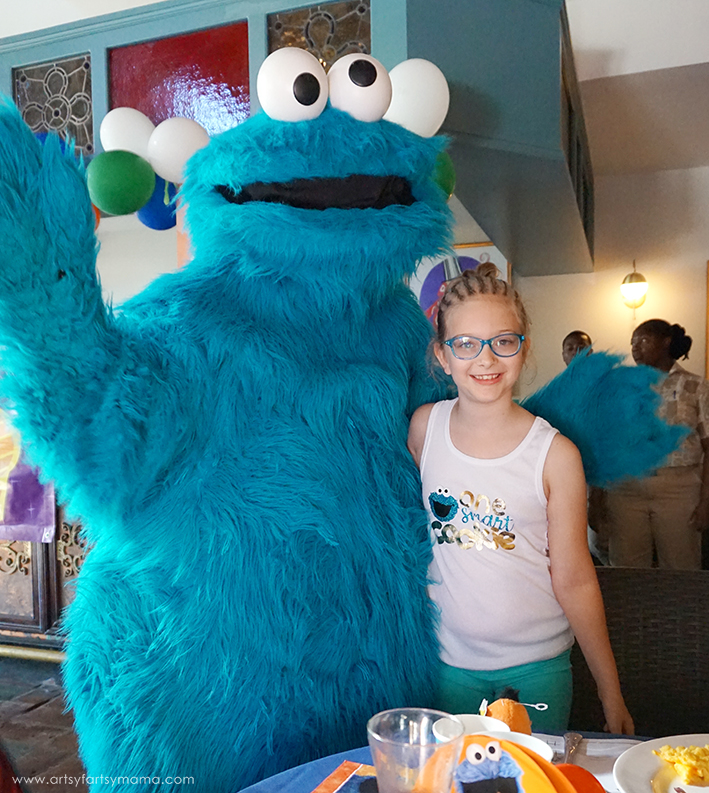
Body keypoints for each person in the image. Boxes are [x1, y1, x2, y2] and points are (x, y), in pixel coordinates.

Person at [407, 264, 633, 734]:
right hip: (451, 666)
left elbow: (574, 579)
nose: (485, 359)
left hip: (539, 669)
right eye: (465, 344)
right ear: (442, 356)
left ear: (523, 346)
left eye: (503, 341)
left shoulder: (555, 456)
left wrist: (611, 693)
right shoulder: (424, 429)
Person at [604, 319, 709, 569]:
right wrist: (597, 500)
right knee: (626, 567)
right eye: (632, 342)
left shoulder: (697, 386)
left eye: (643, 340)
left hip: (678, 490)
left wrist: (706, 502)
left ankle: (680, 610)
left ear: (666, 342)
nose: (635, 348)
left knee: (680, 565)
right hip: (626, 489)